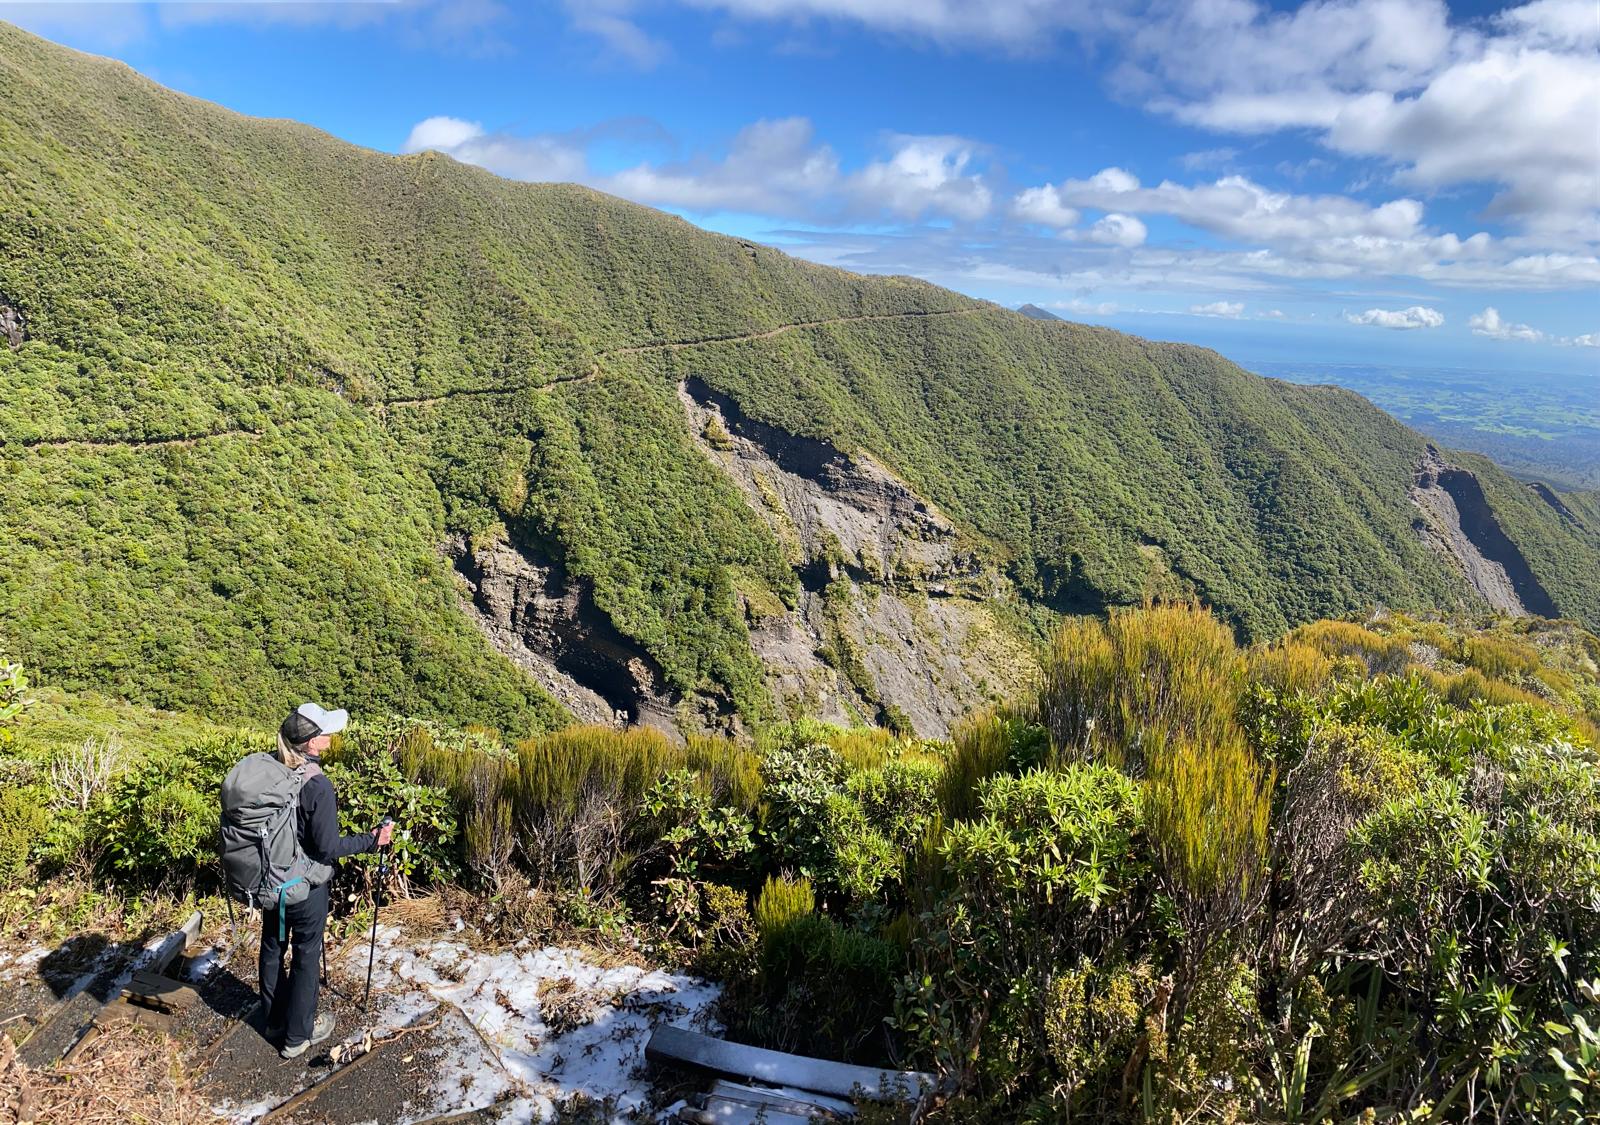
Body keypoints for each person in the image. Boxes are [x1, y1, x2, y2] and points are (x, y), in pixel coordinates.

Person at [262, 702, 395, 1059]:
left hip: (270, 879)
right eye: (327, 733)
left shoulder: (272, 767)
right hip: (304, 887)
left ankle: (273, 1019)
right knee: (306, 954)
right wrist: (372, 840)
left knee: (274, 946)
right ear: (313, 743)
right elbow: (327, 848)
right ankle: (297, 1036)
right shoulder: (318, 786)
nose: (333, 736)